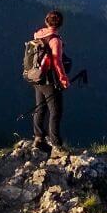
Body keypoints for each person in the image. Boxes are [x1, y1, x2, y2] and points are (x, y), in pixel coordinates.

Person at [32, 9, 70, 155]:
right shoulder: (55, 40)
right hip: (49, 80)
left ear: (46, 21)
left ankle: (39, 137)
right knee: (56, 111)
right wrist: (63, 79)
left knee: (40, 107)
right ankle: (56, 144)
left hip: (37, 77)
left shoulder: (38, 34)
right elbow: (57, 62)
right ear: (60, 24)